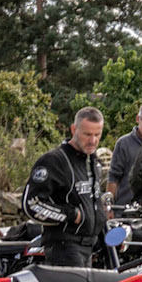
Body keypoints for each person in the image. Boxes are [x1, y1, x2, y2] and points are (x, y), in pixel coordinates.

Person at [24, 107, 106, 267]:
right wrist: (71, 215)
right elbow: (31, 203)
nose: (93, 140)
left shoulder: (93, 161)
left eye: (98, 134)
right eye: (87, 134)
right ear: (74, 129)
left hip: (89, 247)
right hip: (63, 248)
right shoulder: (54, 161)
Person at [110, 103, 142, 204]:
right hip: (125, 208)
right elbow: (113, 176)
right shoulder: (123, 144)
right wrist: (109, 206)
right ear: (138, 119)